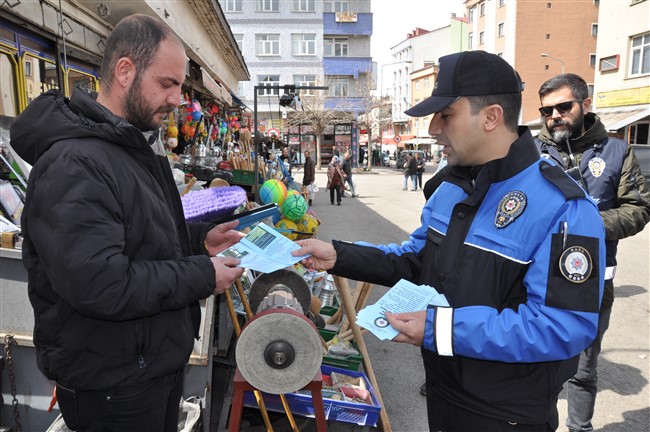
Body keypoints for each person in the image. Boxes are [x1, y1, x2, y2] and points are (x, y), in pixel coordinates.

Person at [293, 50, 606, 431]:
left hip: (506, 415)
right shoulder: (450, 187)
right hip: (443, 391)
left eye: (446, 115)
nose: (433, 129)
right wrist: (338, 255)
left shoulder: (564, 205)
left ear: (491, 116)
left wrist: (441, 329)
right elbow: (414, 260)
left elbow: (562, 327)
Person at [9, 14, 245, 432]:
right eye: (167, 84)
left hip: (145, 368)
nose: (176, 99)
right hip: (113, 386)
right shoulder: (74, 164)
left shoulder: (129, 147)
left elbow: (144, 237)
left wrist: (198, 241)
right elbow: (101, 285)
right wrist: (201, 275)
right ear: (124, 71)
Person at [535, 73, 650, 432]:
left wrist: (589, 224)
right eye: (547, 110)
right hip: (535, 280)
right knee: (536, 364)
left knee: (583, 369)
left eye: (563, 106)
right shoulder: (529, 150)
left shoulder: (617, 150)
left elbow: (639, 208)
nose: (554, 115)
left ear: (585, 105)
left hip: (594, 282)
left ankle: (579, 429)